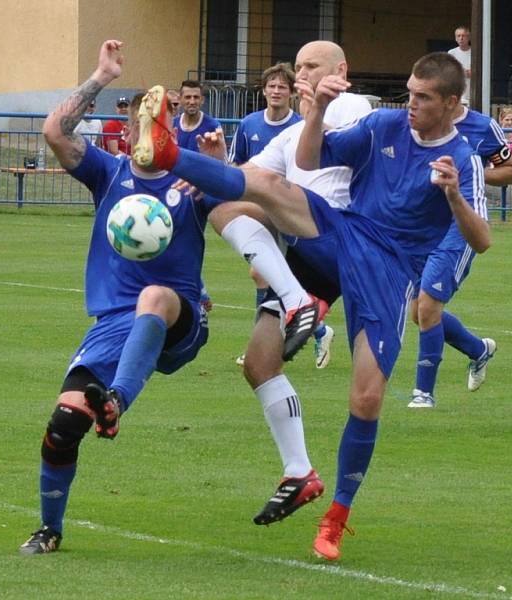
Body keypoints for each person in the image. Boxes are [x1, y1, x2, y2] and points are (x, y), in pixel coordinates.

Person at [133, 52, 489, 561]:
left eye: (423, 98)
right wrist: (317, 110)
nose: (410, 104)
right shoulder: (383, 124)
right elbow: (309, 160)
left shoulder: (463, 159)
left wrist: (453, 196)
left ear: (452, 104)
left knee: (366, 399)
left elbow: (481, 240)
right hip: (342, 234)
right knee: (251, 201)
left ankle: (337, 516)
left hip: (389, 273)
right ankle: (166, 155)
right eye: (409, 93)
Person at [19, 41, 219, 555]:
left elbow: (239, 211)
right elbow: (54, 133)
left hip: (179, 317)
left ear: (169, 134)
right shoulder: (109, 173)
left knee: (154, 294)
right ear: (126, 133)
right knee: (63, 426)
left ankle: (117, 401)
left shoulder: (191, 177)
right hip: (114, 323)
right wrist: (101, 76)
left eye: (155, 127)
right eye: (136, 127)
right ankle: (49, 530)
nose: (142, 134)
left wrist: (216, 171)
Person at [167, 41, 372, 527]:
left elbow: (275, 181)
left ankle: (300, 301)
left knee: (228, 205)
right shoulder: (290, 135)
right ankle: (299, 472)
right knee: (259, 364)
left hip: (343, 237)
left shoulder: (352, 106)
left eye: (311, 68)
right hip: (306, 254)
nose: (302, 76)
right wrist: (213, 168)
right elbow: (250, 175)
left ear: (340, 71)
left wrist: (320, 102)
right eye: (297, 68)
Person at [407, 102, 512, 409]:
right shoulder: (417, 123)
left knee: (428, 307)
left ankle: (423, 394)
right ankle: (478, 350)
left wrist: (469, 169)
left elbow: (509, 172)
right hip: (422, 226)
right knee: (419, 313)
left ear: (452, 95)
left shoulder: (483, 127)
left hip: (461, 224)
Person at [227, 62, 328, 369]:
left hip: (291, 208)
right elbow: (239, 165)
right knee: (261, 273)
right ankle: (312, 328)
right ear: (264, 90)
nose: (276, 91)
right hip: (261, 206)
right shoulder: (249, 124)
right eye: (271, 86)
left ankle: (298, 331)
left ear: (291, 93)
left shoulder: (300, 125)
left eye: (282, 87)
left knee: (266, 274)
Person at [174, 80, 224, 153]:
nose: (192, 102)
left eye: (196, 97)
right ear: (180, 99)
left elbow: (223, 160)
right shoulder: (172, 125)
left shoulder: (214, 126)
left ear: (202, 100)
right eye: (188, 97)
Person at [448, 26, 471, 106]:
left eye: (463, 36)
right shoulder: (451, 53)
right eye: (459, 36)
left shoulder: (475, 52)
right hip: (456, 91)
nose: (461, 38)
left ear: (469, 37)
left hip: (471, 91)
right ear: (455, 38)